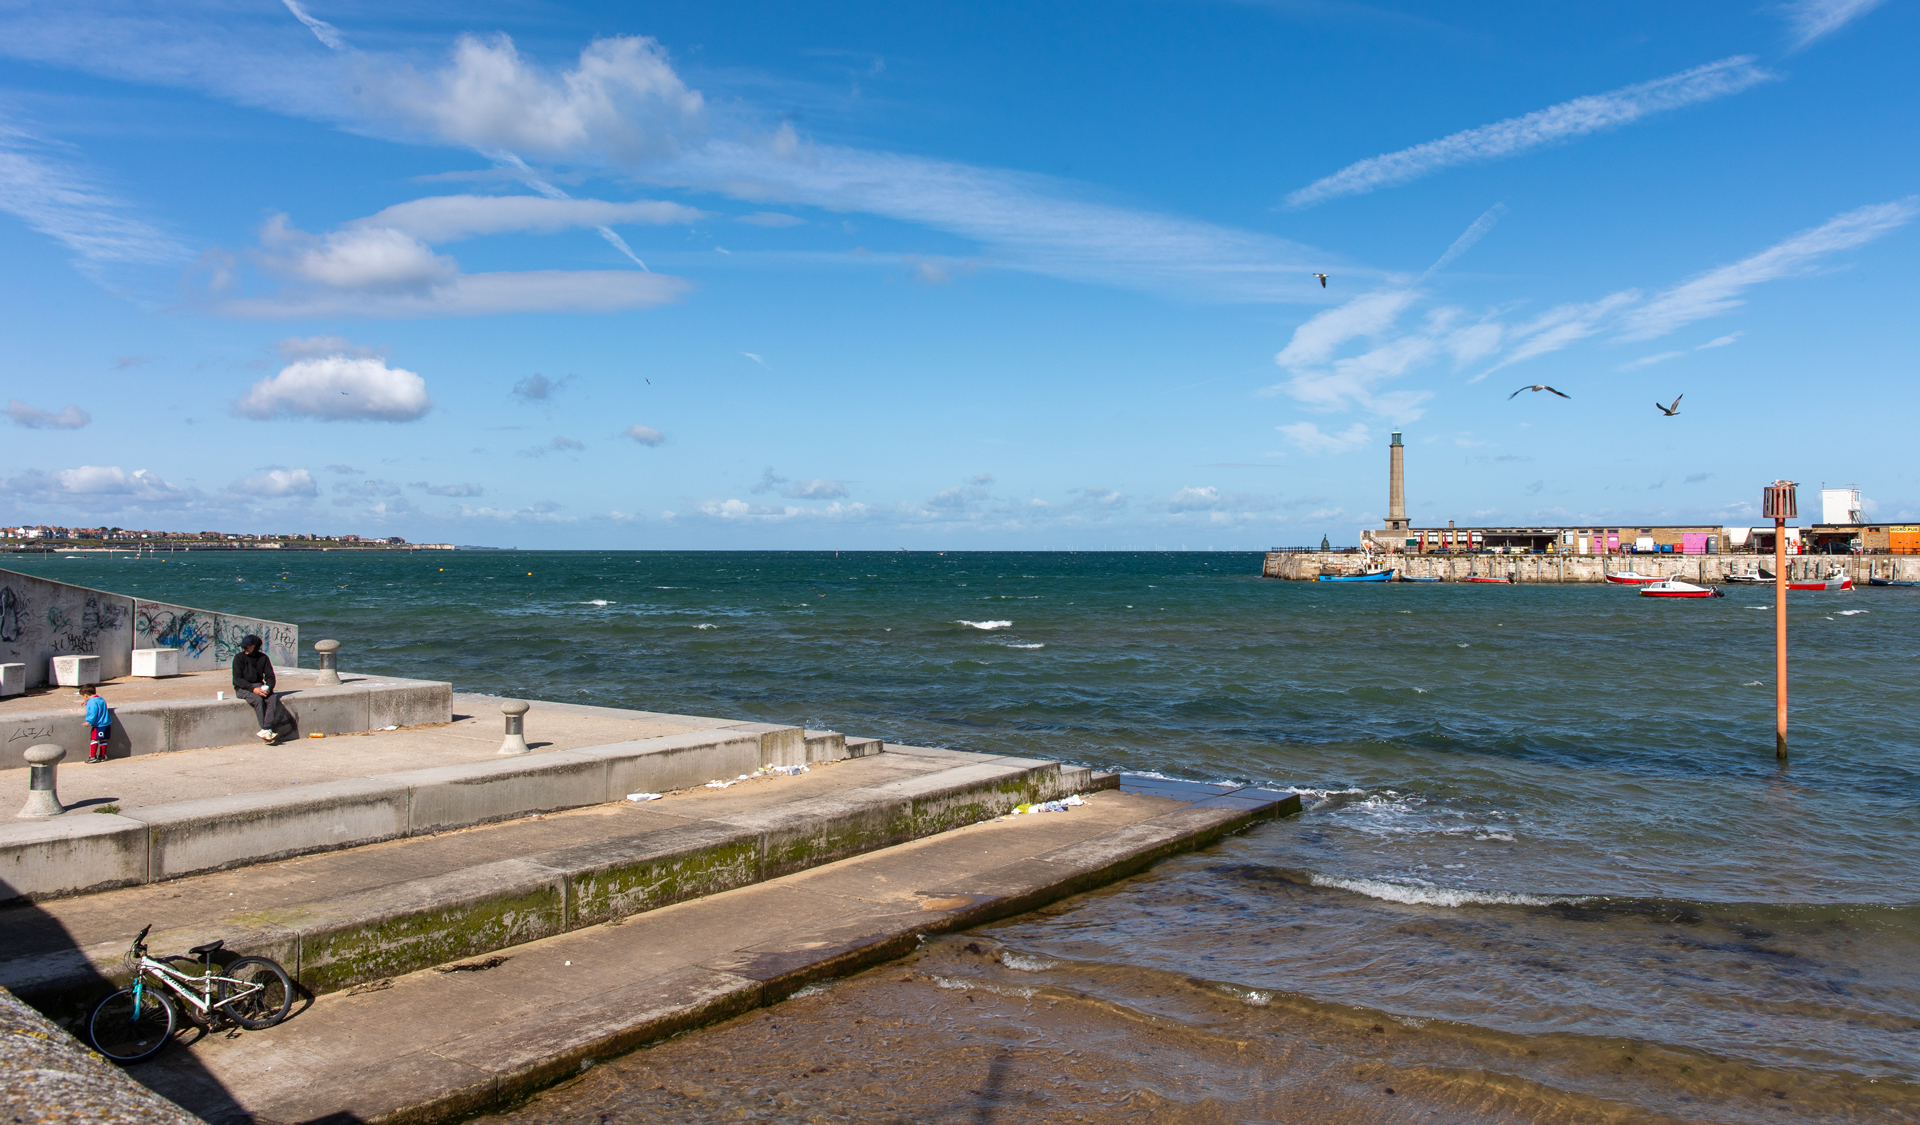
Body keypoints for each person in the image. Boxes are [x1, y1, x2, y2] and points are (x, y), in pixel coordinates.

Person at [232, 634, 295, 743]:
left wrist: (268, 688)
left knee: (272, 698)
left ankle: (266, 728)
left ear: (254, 646)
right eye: (243, 647)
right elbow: (237, 679)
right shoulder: (238, 658)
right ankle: (266, 730)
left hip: (259, 686)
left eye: (247, 647)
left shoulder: (263, 658)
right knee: (257, 700)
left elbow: (270, 677)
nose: (245, 649)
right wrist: (253, 689)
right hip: (243, 688)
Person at [80, 683, 111, 763]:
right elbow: (98, 705)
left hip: (98, 725)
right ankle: (102, 756)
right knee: (103, 740)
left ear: (85, 695)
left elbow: (93, 712)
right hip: (106, 723)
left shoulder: (91, 702)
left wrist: (88, 721)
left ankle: (92, 757)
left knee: (94, 739)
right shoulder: (100, 699)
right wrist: (87, 702)